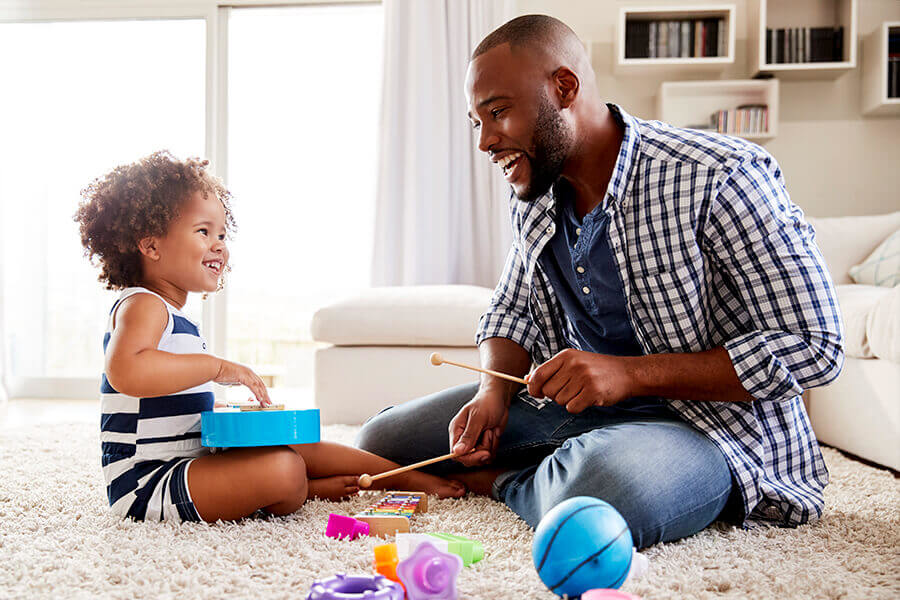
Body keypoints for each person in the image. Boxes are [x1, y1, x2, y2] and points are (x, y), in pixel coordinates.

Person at [356, 15, 844, 548]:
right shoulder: (538, 189)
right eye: (477, 121)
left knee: (601, 490)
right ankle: (555, 471)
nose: (486, 142)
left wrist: (630, 376)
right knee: (382, 440)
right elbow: (512, 309)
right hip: (579, 415)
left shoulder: (721, 175)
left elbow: (814, 347)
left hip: (709, 432)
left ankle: (501, 482)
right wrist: (492, 391)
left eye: (498, 112)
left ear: (563, 88)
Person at [75, 151, 464, 523]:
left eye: (222, 234)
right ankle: (307, 488)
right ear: (151, 245)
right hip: (148, 484)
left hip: (191, 461)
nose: (219, 245)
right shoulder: (143, 304)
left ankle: (403, 477)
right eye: (203, 231)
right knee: (285, 468)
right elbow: (127, 370)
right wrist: (218, 368)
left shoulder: (176, 316)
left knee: (294, 443)